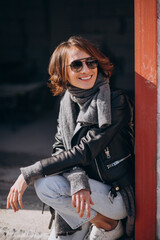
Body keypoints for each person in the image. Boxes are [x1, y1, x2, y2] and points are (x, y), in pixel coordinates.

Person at [7, 36, 135, 240]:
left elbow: (85, 150)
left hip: (116, 194)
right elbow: (60, 147)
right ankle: (89, 221)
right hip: (83, 192)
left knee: (42, 181)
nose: (86, 70)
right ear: (63, 72)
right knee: (47, 185)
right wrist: (77, 180)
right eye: (76, 65)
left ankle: (108, 225)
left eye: (90, 62)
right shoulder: (67, 102)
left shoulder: (115, 101)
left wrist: (29, 173)